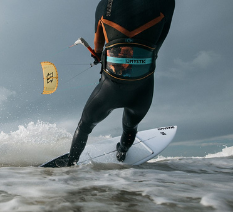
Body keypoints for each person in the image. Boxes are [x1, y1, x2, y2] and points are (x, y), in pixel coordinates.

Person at [62, 0, 175, 167]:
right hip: (142, 90)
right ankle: (122, 152)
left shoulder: (105, 4)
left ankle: (71, 166)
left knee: (85, 125)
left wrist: (100, 54)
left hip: (109, 90)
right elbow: (160, 39)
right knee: (130, 127)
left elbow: (98, 45)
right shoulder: (166, 3)